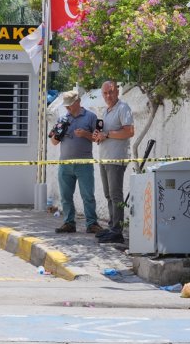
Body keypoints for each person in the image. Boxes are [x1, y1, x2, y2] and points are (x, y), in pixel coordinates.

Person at [49, 90, 102, 234]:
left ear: (78, 102)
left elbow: (97, 139)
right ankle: (68, 223)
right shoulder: (62, 118)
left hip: (84, 163)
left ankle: (92, 223)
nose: (67, 108)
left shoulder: (90, 117)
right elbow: (54, 142)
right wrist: (57, 134)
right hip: (65, 164)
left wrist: (85, 134)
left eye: (69, 105)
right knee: (65, 196)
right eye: (66, 106)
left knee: (88, 195)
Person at [93, 81, 135, 244]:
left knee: (116, 195)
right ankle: (112, 228)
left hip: (116, 159)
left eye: (111, 92)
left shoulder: (123, 108)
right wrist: (99, 135)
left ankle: (117, 231)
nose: (108, 96)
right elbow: (104, 134)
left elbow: (129, 131)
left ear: (117, 92)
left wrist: (107, 134)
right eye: (105, 93)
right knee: (108, 194)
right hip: (104, 157)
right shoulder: (106, 111)